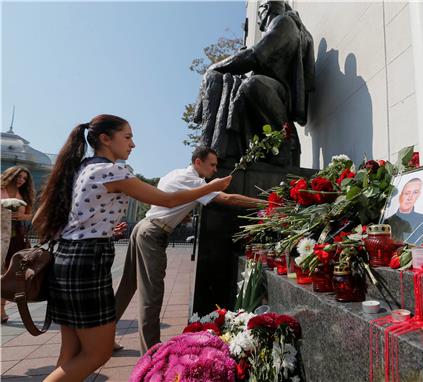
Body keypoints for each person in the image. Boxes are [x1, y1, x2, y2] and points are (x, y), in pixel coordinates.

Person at [32, 114, 232, 381]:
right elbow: (166, 200)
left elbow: (45, 218)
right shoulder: (112, 171)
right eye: (127, 137)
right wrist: (212, 187)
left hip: (66, 259)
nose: (133, 144)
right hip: (87, 263)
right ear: (105, 139)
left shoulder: (81, 168)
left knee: (71, 353)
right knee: (96, 355)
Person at [114, 146, 264, 354]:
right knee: (152, 295)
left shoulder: (174, 173)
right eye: (212, 165)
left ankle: (105, 335)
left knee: (127, 286)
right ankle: (151, 355)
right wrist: (266, 203)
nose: (214, 170)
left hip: (144, 226)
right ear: (198, 163)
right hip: (152, 233)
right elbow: (229, 199)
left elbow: (170, 199)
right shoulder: (195, 181)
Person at [194, 0, 314, 165]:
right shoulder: (283, 24)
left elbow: (255, 55)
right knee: (236, 84)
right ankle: (237, 151)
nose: (259, 21)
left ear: (266, 9)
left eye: (259, 15)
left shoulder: (283, 22)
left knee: (252, 85)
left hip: (280, 93)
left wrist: (214, 67)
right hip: (273, 89)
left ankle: (284, 146)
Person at [0, 166, 35, 323]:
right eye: (18, 177)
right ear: (10, 175)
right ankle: (1, 310)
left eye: (24, 178)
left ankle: (2, 309)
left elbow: (31, 215)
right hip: (1, 235)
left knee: (10, 274)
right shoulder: (1, 189)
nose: (21, 180)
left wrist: (22, 216)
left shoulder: (24, 194)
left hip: (17, 237)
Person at [387, 178, 423, 245]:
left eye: (415, 192)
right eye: (406, 193)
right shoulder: (387, 222)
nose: (410, 197)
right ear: (400, 196)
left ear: (418, 195)